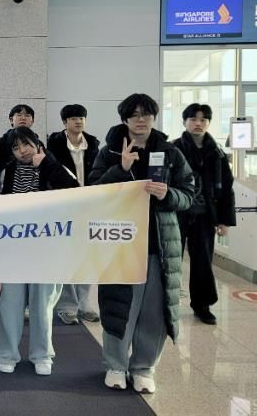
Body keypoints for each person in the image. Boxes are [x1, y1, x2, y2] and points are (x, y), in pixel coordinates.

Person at [89, 93, 194, 394]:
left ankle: (144, 368)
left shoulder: (171, 153)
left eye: (145, 114)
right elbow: (93, 192)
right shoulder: (109, 151)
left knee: (154, 311)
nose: (140, 120)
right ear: (125, 119)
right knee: (119, 307)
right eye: (134, 114)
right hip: (120, 243)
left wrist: (168, 194)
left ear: (153, 117)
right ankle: (115, 365)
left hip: (159, 246)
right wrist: (120, 168)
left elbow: (189, 194)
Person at [0, 127, 79, 376]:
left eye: (26, 144)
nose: (22, 151)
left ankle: (42, 354)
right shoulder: (8, 171)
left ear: (37, 143)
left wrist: (47, 164)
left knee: (41, 304)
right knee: (10, 303)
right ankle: (7, 353)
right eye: (15, 147)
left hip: (46, 248)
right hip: (14, 248)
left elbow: (75, 190)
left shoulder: (55, 165)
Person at [172, 103, 236, 325]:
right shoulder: (173, 148)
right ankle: (166, 304)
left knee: (203, 261)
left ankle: (202, 305)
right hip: (177, 214)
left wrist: (224, 220)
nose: (198, 123)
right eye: (193, 119)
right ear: (185, 122)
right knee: (171, 261)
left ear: (208, 123)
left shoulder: (216, 152)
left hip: (204, 215)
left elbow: (226, 187)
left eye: (203, 120)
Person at [47, 104, 101, 325]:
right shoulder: (53, 145)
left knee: (87, 255)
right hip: (65, 206)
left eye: (81, 118)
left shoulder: (94, 144)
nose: (78, 121)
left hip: (89, 205)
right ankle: (68, 305)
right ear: (64, 122)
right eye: (73, 118)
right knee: (67, 255)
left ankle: (85, 303)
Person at [0, 104, 38, 185]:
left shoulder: (38, 142)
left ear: (32, 121)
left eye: (27, 115)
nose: (23, 118)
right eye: (19, 115)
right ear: (11, 120)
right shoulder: (0, 143)